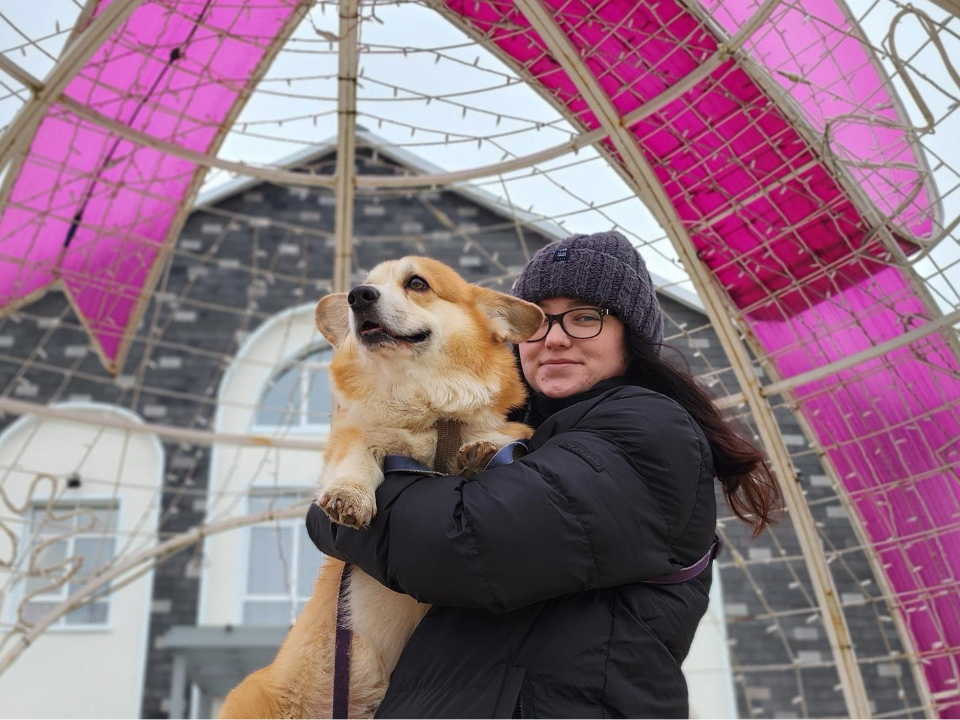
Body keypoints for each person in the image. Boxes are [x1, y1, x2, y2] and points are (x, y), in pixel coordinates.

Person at [307, 231, 782, 719]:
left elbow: (467, 545)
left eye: (584, 318)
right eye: (541, 321)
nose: (554, 338)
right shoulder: (526, 432)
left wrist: (341, 506)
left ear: (631, 337)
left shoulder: (648, 428)